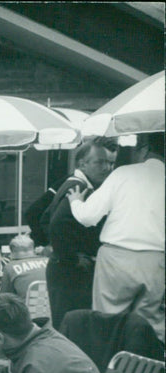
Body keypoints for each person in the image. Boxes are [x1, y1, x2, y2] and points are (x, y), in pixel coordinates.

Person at [68, 132, 165, 342]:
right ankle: (148, 370)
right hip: (156, 260)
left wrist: (76, 201)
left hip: (116, 257)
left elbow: (87, 217)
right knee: (149, 324)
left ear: (145, 149)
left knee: (107, 321)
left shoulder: (124, 173)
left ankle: (108, 369)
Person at [43, 141, 112, 330]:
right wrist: (72, 258)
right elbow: (57, 224)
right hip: (71, 273)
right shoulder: (80, 188)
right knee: (75, 327)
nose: (107, 168)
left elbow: (42, 218)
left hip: (62, 269)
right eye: (99, 162)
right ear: (82, 164)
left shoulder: (71, 184)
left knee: (67, 325)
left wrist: (53, 248)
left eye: (110, 163)